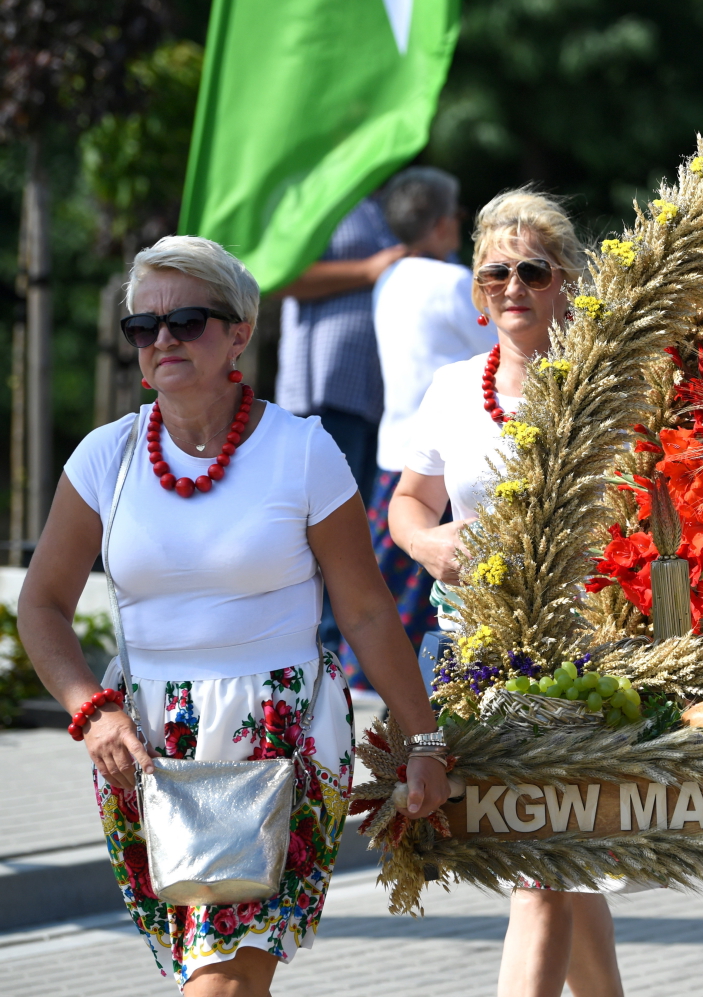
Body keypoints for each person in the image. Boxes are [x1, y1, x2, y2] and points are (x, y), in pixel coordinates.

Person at [16, 236, 449, 996]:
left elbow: (368, 613)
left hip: (284, 737)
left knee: (222, 979)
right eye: (143, 328)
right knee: (211, 974)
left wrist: (424, 740)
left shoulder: (303, 450)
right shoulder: (103, 459)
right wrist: (91, 711)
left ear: (240, 332)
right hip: (148, 747)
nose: (162, 340)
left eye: (185, 320)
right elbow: (42, 605)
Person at [388, 188, 624, 997]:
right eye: (495, 274)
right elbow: (408, 500)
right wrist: (427, 540)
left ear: (566, 281)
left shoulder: (603, 386)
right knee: (558, 859)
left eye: (532, 270)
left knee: (543, 861)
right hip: (477, 653)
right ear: (479, 294)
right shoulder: (455, 387)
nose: (513, 287)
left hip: (582, 655)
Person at [346, 167, 495, 692]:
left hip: (395, 447)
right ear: (438, 224)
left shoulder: (390, 277)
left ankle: (383, 686)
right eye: (455, 215)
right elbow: (501, 352)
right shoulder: (456, 283)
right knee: (439, 586)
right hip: (450, 456)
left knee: (389, 587)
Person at [276, 194, 405, 505]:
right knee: (320, 517)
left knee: (356, 523)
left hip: (376, 395)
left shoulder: (378, 204)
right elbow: (283, 279)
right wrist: (367, 271)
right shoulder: (315, 197)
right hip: (324, 394)